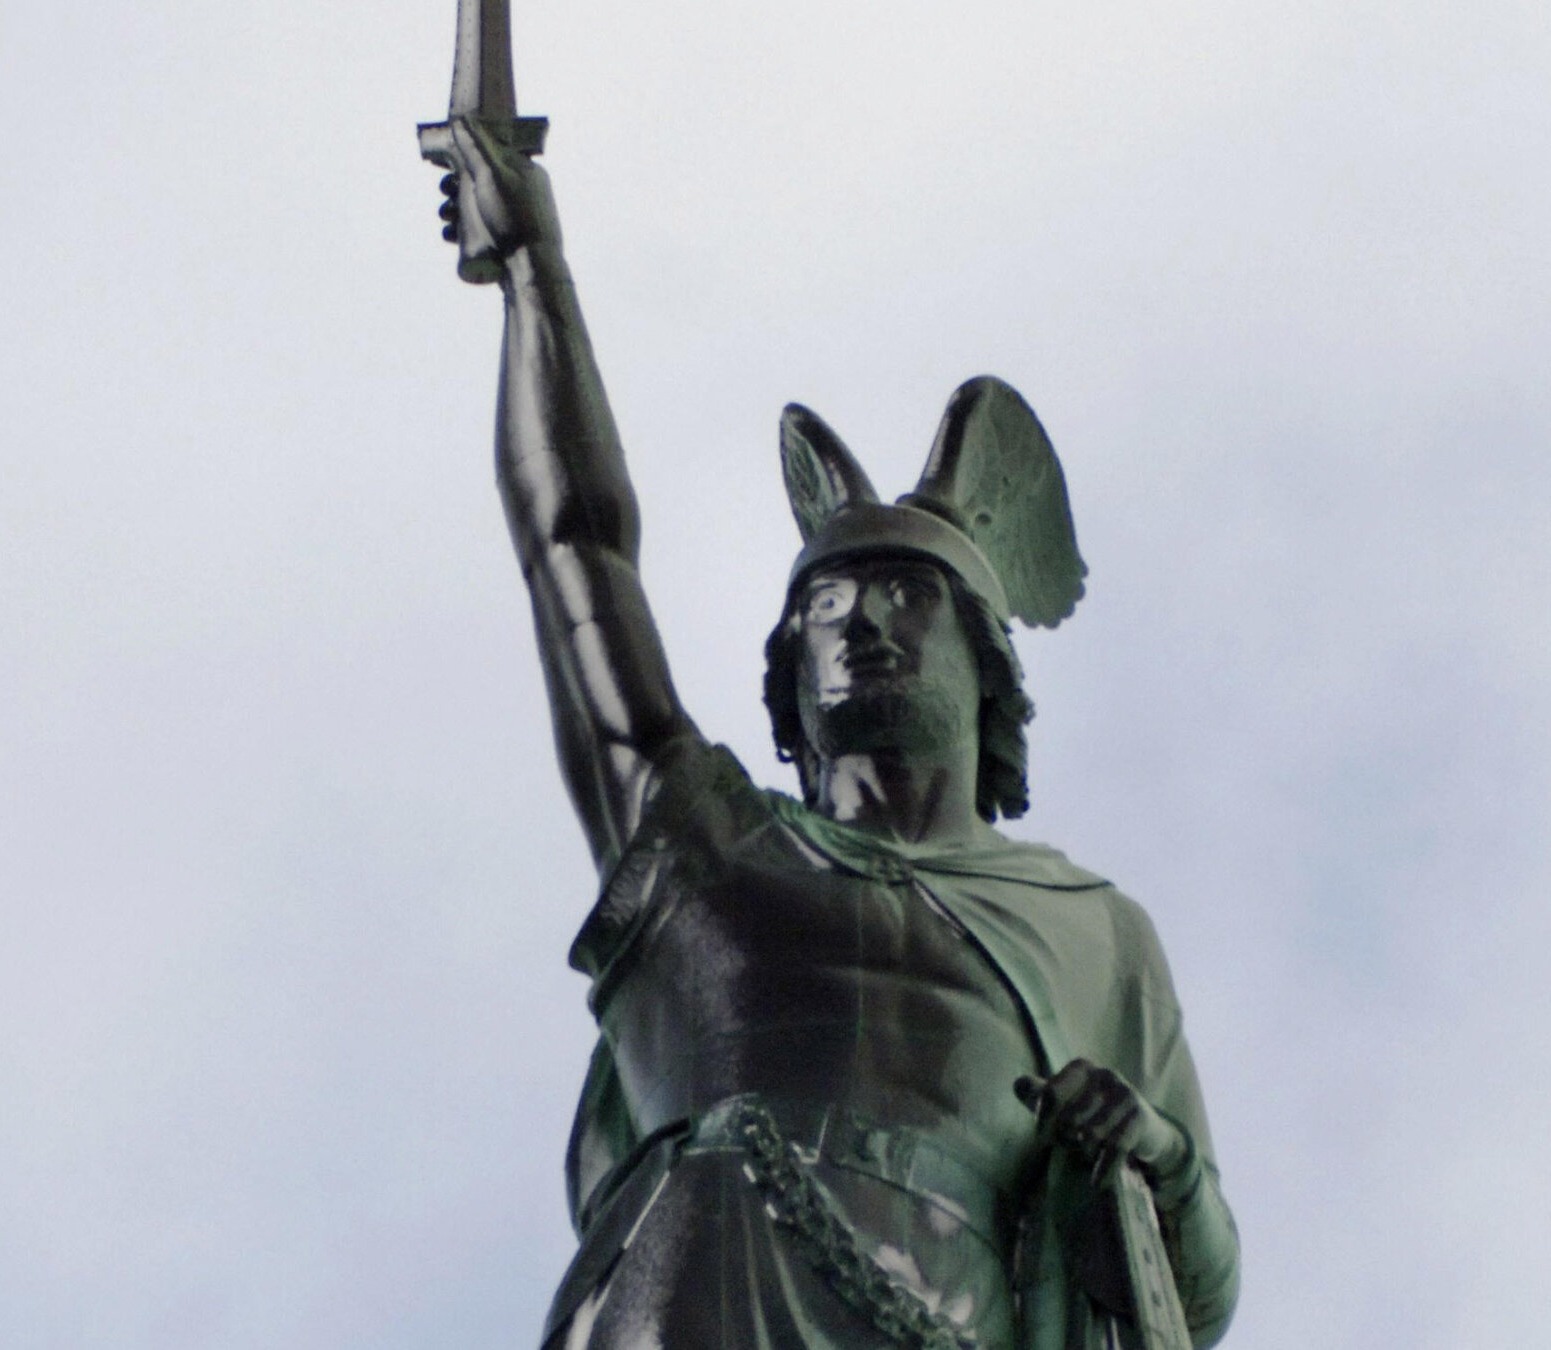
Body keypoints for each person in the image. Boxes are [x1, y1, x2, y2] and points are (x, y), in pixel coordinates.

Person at [436, 116, 1240, 1350]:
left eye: (904, 596)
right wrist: (534, 275)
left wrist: (1160, 1155)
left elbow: (1201, 1282)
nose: (859, 624)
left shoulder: (1098, 935)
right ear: (788, 677)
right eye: (824, 604)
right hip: (692, 1290)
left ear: (988, 661)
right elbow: (575, 554)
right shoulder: (705, 844)